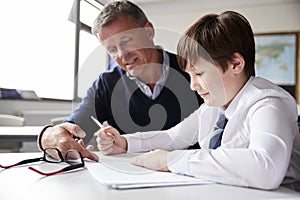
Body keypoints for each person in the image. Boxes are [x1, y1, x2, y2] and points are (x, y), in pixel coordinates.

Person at [97, 11, 300, 190]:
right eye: (190, 75)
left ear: (235, 64)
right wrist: (124, 143)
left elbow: (266, 168)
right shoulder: (216, 106)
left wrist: (171, 160)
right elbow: (173, 137)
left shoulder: (268, 103)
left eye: (200, 74)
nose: (193, 85)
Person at [37, 0, 202, 161]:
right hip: (131, 177)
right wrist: (48, 135)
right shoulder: (107, 83)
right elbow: (74, 128)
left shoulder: (193, 69)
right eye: (112, 49)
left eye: (126, 41)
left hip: (192, 175)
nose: (122, 55)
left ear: (148, 31)